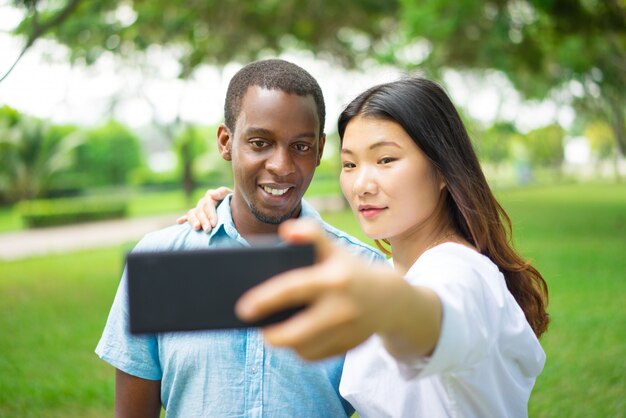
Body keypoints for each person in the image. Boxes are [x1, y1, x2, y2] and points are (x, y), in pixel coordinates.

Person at [181, 77, 550, 417]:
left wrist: (389, 304)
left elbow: (434, 319)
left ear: (442, 169)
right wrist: (236, 206)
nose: (362, 184)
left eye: (385, 159)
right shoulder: (393, 269)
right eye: (350, 164)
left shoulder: (459, 273)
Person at [95, 59, 385, 417]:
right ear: (226, 142)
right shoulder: (161, 260)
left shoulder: (364, 272)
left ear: (320, 149)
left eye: (301, 147)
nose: (281, 165)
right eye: (260, 142)